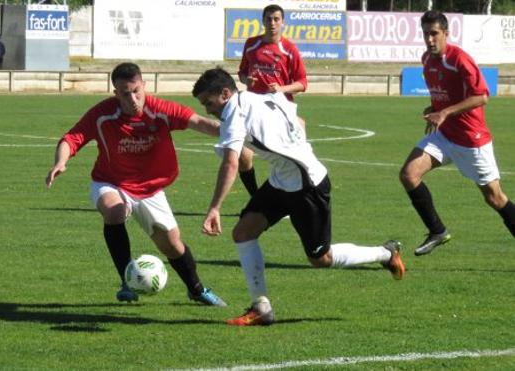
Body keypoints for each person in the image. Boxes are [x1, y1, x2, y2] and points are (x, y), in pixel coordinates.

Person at [192, 67, 405, 326]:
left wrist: (215, 207)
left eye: (209, 103)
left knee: (321, 258)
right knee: (243, 233)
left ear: (225, 93)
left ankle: (385, 253)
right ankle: (261, 308)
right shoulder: (258, 97)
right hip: (282, 180)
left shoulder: (235, 113)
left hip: (307, 185)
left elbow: (231, 163)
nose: (208, 110)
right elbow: (300, 122)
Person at [45, 62, 227, 306]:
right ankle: (125, 282)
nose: (132, 98)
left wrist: (237, 131)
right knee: (115, 211)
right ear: (115, 93)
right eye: (124, 93)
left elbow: (201, 122)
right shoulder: (103, 114)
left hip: (150, 188)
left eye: (136, 91)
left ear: (144, 86)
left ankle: (196, 289)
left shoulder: (160, 109)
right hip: (111, 182)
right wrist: (61, 161)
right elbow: (72, 138)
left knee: (172, 245)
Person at [399, 11, 515, 255]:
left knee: (495, 198)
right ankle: (437, 231)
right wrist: (434, 108)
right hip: (445, 136)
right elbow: (443, 93)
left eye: (434, 34)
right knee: (409, 175)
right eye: (425, 34)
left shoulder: (460, 59)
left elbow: (482, 96)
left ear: (446, 33)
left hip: (472, 141)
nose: (429, 39)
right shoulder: (426, 60)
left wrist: (445, 113)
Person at [236, 4, 308, 196]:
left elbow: (302, 82)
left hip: (279, 109)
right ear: (263, 21)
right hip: (252, 107)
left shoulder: (289, 49)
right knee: (243, 156)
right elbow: (242, 72)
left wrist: (281, 89)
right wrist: (246, 80)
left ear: (283, 22)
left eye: (276, 19)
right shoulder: (252, 44)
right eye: (268, 19)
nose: (272, 23)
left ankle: (295, 197)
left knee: (286, 158)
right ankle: (256, 198)